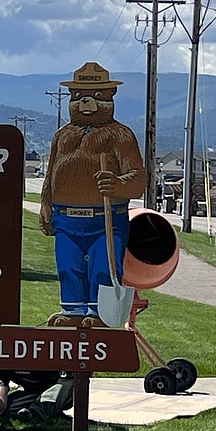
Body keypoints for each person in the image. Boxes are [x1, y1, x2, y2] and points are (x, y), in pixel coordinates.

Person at [39, 61, 145, 325]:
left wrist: (117, 185)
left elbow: (138, 179)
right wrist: (46, 205)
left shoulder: (120, 135)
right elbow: (51, 173)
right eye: (79, 97)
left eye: (96, 97)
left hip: (105, 218)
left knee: (104, 268)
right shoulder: (62, 136)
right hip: (67, 217)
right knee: (68, 265)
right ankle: (73, 312)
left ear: (110, 99)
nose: (87, 103)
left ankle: (101, 314)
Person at [0, 370, 75, 423]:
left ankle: (35, 413)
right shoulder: (6, 354)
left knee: (73, 384)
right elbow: (0, 406)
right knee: (7, 411)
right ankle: (51, 411)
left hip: (57, 385)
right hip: (30, 391)